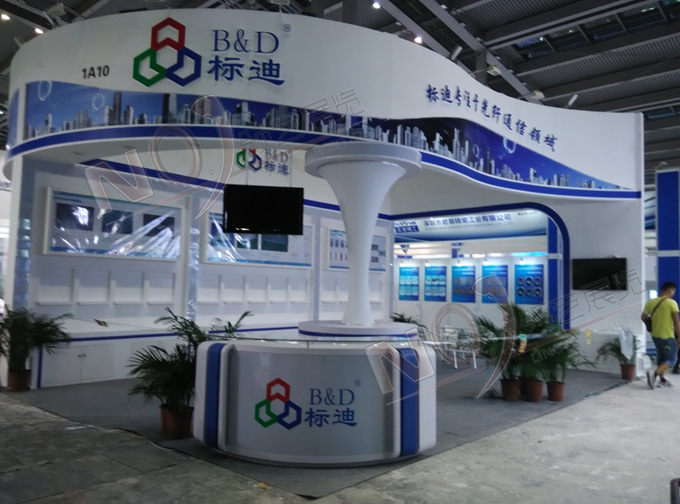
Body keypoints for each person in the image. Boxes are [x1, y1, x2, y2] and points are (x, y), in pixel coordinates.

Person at [642, 282, 680, 388]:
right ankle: (654, 375)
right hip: (667, 336)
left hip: (655, 335)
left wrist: (651, 325)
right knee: (672, 359)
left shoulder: (650, 302)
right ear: (670, 291)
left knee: (661, 358)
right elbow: (676, 321)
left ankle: (662, 380)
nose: (673, 294)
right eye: (673, 292)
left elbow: (643, 317)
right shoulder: (671, 303)